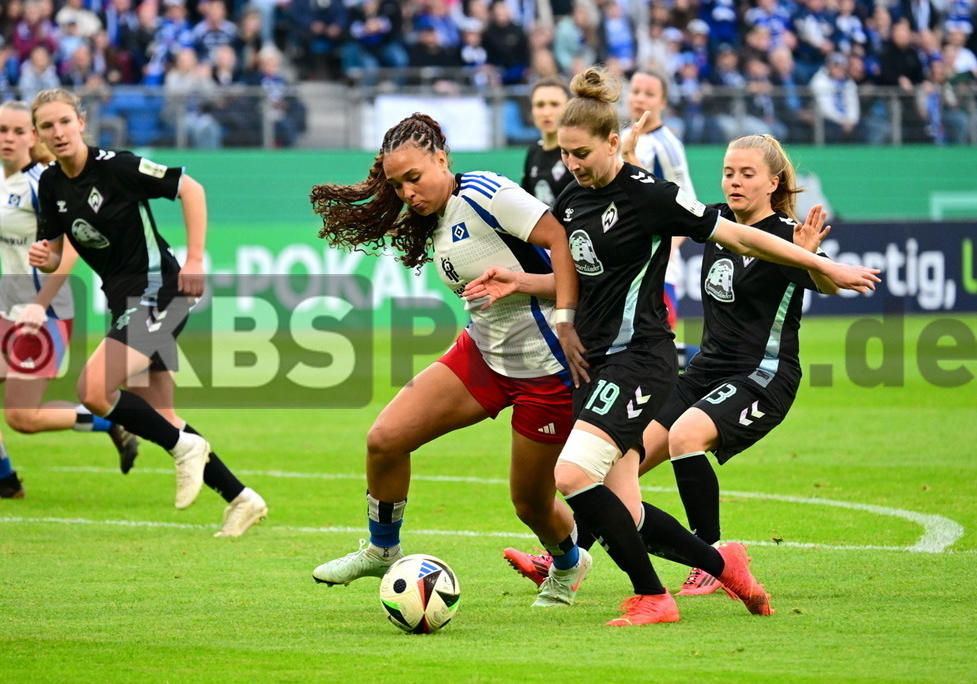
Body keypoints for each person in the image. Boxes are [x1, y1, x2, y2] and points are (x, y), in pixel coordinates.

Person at [474, 67, 879, 626]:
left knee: (571, 476)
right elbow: (579, 280)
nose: (570, 164)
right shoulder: (571, 199)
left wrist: (821, 262)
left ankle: (649, 595)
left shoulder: (651, 198)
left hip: (640, 357)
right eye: (565, 154)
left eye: (580, 153)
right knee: (628, 508)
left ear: (612, 142)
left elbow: (737, 233)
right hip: (594, 362)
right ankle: (721, 564)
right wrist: (520, 282)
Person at [309, 112, 595, 608]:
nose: (407, 193)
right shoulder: (434, 219)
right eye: (398, 186)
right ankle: (382, 549)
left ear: (442, 159)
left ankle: (569, 564)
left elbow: (562, 243)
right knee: (385, 440)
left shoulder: (488, 194)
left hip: (546, 369)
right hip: (482, 354)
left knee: (529, 502)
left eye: (414, 178)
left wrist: (565, 316)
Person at [26, 89, 267, 537]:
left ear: (80, 122)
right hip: (124, 300)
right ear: (38, 134)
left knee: (94, 390)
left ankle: (184, 451)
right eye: (46, 126)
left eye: (64, 122)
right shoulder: (50, 185)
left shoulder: (117, 165)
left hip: (160, 292)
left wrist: (195, 260)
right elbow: (58, 253)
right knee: (163, 416)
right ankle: (242, 498)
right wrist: (45, 257)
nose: (57, 132)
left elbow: (189, 188)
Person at [633, 133, 842, 597]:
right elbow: (652, 203)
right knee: (620, 460)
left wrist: (811, 258)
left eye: (747, 174)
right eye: (729, 172)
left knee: (685, 436)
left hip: (763, 375)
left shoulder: (788, 235)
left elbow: (828, 285)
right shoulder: (716, 221)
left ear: (773, 182)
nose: (735, 182)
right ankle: (569, 556)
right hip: (706, 370)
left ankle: (712, 556)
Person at [0, 100, 138, 501]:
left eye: (20, 131)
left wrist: (40, 303)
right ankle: (5, 481)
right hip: (6, 309)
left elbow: (70, 246)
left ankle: (111, 422)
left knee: (23, 418)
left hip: (46, 312)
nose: (9, 138)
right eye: (2, 130)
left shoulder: (45, 183)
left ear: (34, 137)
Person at [620, 69, 698, 363]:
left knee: (655, 349)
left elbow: (687, 205)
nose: (640, 99)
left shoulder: (667, 145)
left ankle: (715, 369)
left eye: (648, 94)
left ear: (663, 101)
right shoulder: (625, 136)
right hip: (626, 259)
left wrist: (664, 252)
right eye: (636, 91)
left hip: (656, 264)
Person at [520, 76, 572, 209]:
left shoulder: (576, 152)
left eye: (554, 104)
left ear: (569, 108)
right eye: (540, 105)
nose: (546, 112)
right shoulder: (533, 152)